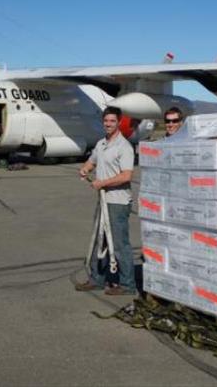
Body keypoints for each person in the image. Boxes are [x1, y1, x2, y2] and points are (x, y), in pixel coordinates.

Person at [75, 106, 137, 295]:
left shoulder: (124, 147)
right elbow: (92, 161)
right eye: (106, 121)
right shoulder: (101, 144)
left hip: (117, 202)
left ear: (119, 122)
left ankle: (127, 285)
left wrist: (102, 183)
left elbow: (126, 176)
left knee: (119, 244)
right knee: (99, 241)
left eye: (112, 121)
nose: (108, 124)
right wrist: (85, 169)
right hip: (103, 201)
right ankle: (97, 279)